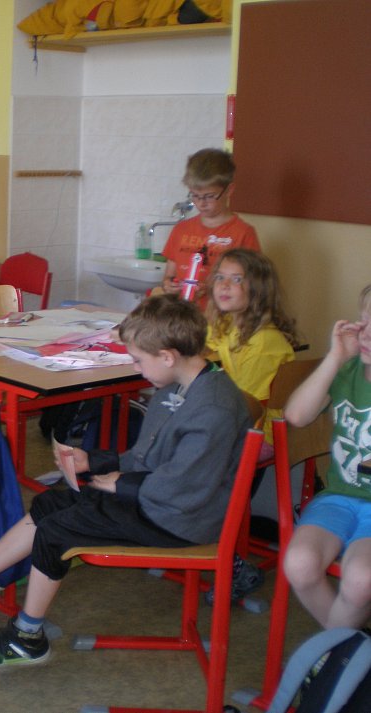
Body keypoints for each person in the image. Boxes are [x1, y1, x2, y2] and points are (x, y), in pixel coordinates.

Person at [0, 294, 253, 669]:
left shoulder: (212, 408)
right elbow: (147, 457)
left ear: (167, 356)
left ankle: (27, 636)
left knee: (56, 531)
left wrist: (120, 484)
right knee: (49, 504)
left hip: (179, 519)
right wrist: (94, 461)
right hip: (157, 500)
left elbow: (186, 488)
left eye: (138, 360)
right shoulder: (178, 384)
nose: (137, 370)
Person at [204, 247, 300, 604]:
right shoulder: (230, 325)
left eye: (236, 279)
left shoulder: (264, 342)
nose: (224, 285)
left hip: (258, 433)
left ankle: (234, 565)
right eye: (220, 278)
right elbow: (204, 349)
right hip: (238, 425)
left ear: (257, 290)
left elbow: (245, 408)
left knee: (196, 469)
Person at [281, 285, 371, 630]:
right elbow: (296, 416)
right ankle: (346, 648)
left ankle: (336, 653)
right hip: (338, 497)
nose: (366, 333)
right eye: (364, 321)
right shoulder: (346, 371)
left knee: (361, 580)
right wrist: (335, 358)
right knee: (300, 564)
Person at [158, 148, 261, 306]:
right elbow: (168, 277)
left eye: (209, 196)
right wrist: (169, 285)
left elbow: (252, 287)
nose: (201, 203)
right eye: (195, 195)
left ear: (229, 190)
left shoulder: (243, 233)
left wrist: (211, 290)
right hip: (184, 315)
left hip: (221, 317)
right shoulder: (181, 230)